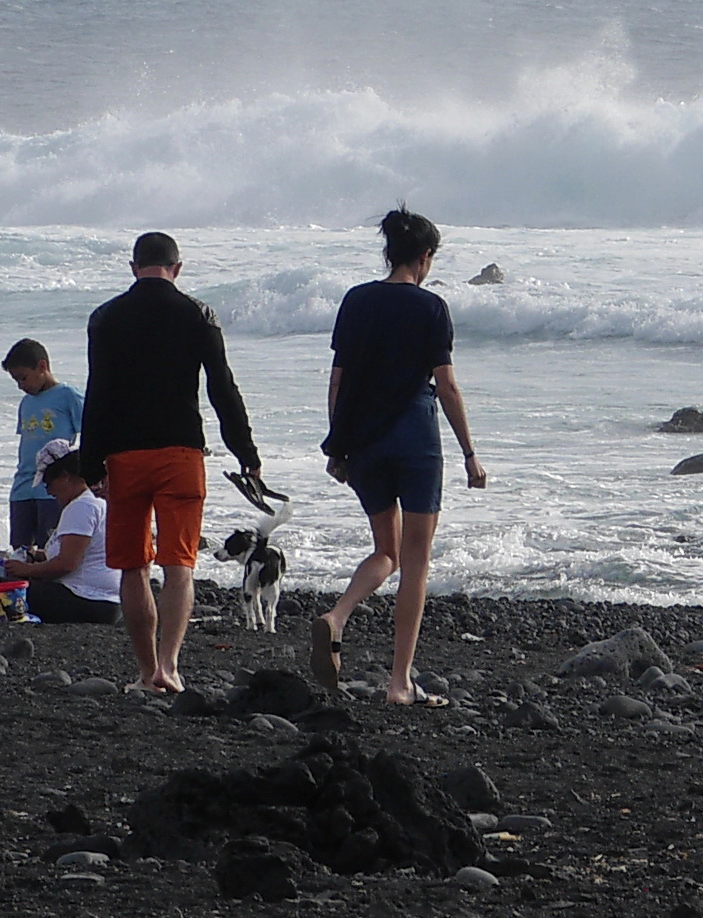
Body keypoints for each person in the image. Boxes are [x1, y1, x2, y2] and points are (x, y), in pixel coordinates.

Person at [308, 207, 486, 707]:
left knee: (385, 549)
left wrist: (337, 443)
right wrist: (470, 452)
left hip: (364, 440)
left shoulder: (356, 301)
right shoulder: (431, 308)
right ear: (425, 257)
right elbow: (446, 386)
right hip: (415, 439)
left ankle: (338, 615)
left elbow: (338, 379)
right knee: (415, 561)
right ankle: (399, 682)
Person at [85, 231, 268, 696]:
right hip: (182, 454)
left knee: (132, 568)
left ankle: (147, 673)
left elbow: (99, 395)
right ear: (178, 268)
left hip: (124, 456)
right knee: (179, 565)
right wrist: (246, 454)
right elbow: (222, 389)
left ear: (133, 267)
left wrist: (91, 463)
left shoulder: (105, 318)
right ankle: (171, 665)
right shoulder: (197, 313)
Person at [0, 446, 120, 624]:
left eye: (48, 483)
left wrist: (26, 570)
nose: (48, 491)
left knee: (0, 588)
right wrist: (38, 556)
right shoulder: (94, 503)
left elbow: (67, 564)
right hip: (104, 599)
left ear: (64, 476)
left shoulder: (81, 506)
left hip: (88, 598)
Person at [2, 341, 84, 558]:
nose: (20, 385)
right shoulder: (26, 403)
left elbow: (90, 435)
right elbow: (27, 444)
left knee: (50, 548)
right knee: (20, 550)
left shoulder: (68, 396)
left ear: (42, 366)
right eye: (15, 380)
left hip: (52, 484)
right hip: (22, 484)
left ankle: (48, 590)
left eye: (23, 377)